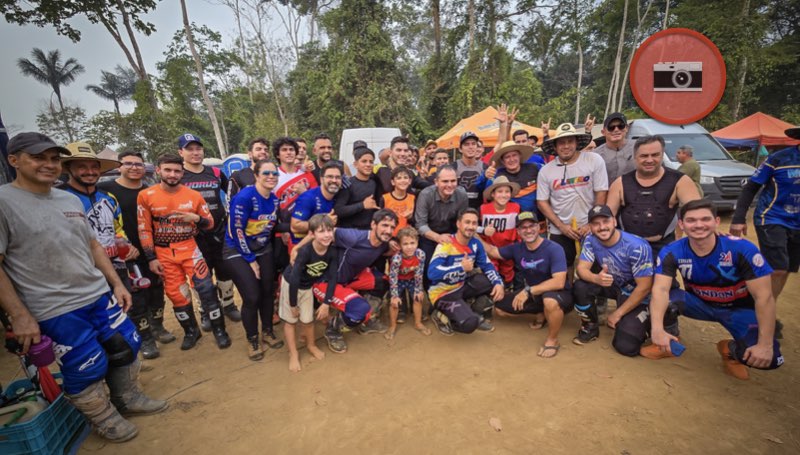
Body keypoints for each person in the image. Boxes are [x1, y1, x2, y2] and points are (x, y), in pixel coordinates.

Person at [0, 132, 166, 442]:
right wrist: (19, 315)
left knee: (126, 345)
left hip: (97, 293)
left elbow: (92, 245)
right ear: (13, 160)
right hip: (54, 307)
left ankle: (127, 398)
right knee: (85, 365)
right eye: (38, 158)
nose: (48, 164)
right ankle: (105, 418)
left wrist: (116, 283)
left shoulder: (68, 198)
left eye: (52, 158)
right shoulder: (4, 202)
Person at [646, 200, 784, 380]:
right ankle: (665, 343)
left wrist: (765, 344)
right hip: (699, 304)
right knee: (664, 299)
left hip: (738, 309)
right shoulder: (672, 251)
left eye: (705, 219)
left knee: (772, 359)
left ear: (716, 221)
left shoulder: (742, 249)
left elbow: (764, 298)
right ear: (681, 224)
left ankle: (731, 351)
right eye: (691, 220)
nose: (699, 225)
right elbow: (661, 290)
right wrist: (656, 329)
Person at [138, 153, 232, 350]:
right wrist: (151, 258)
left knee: (206, 289)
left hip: (190, 248)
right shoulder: (146, 195)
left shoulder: (193, 195)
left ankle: (219, 330)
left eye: (177, 171)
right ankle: (192, 331)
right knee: (177, 294)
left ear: (182, 172)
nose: (172, 174)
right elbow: (144, 228)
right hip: (163, 253)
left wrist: (195, 218)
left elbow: (210, 223)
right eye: (168, 170)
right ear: (158, 170)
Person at [99, 150, 176, 357]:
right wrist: (120, 245)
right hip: (125, 255)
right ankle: (145, 338)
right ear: (119, 166)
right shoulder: (105, 190)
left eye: (139, 164)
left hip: (153, 250)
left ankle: (158, 326)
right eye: (129, 163)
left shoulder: (151, 191)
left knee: (157, 291)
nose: (134, 167)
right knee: (136, 297)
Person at [572, 205, 678, 354]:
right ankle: (590, 327)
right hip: (615, 285)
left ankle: (665, 318)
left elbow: (645, 287)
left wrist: (618, 313)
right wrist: (596, 278)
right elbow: (581, 269)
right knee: (580, 286)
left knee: (626, 346)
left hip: (638, 294)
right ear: (590, 227)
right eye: (596, 224)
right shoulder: (590, 239)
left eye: (605, 221)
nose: (601, 227)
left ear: (614, 222)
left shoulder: (637, 246)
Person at [293, 209, 398, 353]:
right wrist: (297, 249)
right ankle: (333, 329)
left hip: (349, 278)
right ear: (373, 224)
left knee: (384, 282)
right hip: (327, 282)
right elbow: (323, 232)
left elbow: (386, 249)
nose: (388, 230)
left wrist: (392, 245)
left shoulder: (383, 242)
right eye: (384, 225)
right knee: (360, 309)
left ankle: (366, 322)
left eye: (392, 227)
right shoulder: (353, 237)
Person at [483, 212, 573, 358]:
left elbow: (559, 281)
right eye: (523, 228)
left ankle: (552, 340)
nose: (528, 230)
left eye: (532, 226)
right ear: (518, 231)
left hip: (559, 294)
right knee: (500, 308)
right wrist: (472, 234)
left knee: (549, 301)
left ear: (539, 227)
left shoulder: (554, 248)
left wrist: (528, 291)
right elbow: (493, 251)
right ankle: (541, 312)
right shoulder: (517, 248)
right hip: (535, 294)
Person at [177, 133, 241, 330]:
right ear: (181, 152)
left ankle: (228, 304)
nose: (195, 153)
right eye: (190, 149)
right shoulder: (178, 175)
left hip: (219, 230)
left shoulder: (214, 172)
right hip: (194, 235)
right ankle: (206, 310)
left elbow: (232, 193)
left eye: (198, 148)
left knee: (225, 269)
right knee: (200, 275)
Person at [731, 127, 800, 310]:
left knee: (787, 269)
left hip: (797, 223)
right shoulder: (779, 159)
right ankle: (761, 309)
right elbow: (750, 188)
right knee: (778, 268)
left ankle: (766, 306)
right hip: (772, 217)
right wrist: (738, 218)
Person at [224, 160, 285, 360]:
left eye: (274, 174)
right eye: (266, 173)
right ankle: (252, 339)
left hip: (262, 247)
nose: (271, 177)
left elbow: (272, 226)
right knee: (252, 296)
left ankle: (267, 331)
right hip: (236, 249)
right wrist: (250, 260)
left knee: (268, 290)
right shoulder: (245, 197)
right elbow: (236, 231)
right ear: (256, 175)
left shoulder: (274, 199)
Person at [606, 135, 700, 256]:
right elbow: (607, 218)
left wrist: (711, 232)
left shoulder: (680, 181)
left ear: (662, 155)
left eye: (655, 155)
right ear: (635, 157)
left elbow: (698, 213)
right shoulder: (620, 183)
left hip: (663, 248)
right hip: (627, 248)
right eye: (644, 156)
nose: (650, 160)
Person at [537, 123, 609, 278]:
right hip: (560, 229)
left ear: (577, 142)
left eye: (570, 141)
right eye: (561, 142)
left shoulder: (594, 160)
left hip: (589, 227)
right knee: (562, 269)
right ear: (555, 146)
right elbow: (542, 201)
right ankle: (566, 297)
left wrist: (591, 223)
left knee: (595, 266)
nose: (566, 146)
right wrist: (562, 226)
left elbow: (601, 192)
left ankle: (596, 298)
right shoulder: (546, 170)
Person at [428, 208, 505, 335]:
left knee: (493, 282)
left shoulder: (476, 243)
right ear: (458, 224)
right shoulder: (446, 243)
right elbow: (432, 273)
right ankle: (440, 314)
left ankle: (468, 309)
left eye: (474, 223)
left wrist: (498, 283)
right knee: (470, 324)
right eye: (467, 222)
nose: (470, 226)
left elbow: (487, 265)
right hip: (442, 293)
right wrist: (461, 268)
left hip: (462, 286)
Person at [280, 214, 334, 371]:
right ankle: (293, 353)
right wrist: (292, 303)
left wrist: (326, 303)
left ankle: (311, 345)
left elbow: (333, 277)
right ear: (312, 234)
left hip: (307, 286)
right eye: (321, 231)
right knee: (290, 321)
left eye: (329, 230)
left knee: (308, 320)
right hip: (291, 285)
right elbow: (295, 277)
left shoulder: (332, 251)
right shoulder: (305, 252)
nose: (326, 235)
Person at [414, 165, 469, 285]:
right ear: (436, 182)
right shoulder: (426, 194)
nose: (449, 185)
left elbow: (462, 220)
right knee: (428, 267)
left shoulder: (461, 195)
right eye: (445, 181)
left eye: (453, 181)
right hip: (428, 234)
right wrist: (437, 237)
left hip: (451, 233)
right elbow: (420, 224)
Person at [386, 227, 430, 340]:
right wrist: (394, 295)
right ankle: (392, 326)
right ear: (399, 245)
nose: (409, 247)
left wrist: (418, 290)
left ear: (417, 242)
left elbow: (419, 273)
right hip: (398, 280)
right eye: (405, 244)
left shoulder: (420, 254)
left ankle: (418, 323)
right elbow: (393, 277)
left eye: (412, 243)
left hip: (412, 279)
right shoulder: (397, 258)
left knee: (418, 298)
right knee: (394, 303)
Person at [479, 176, 521, 285]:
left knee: (508, 271)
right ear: (493, 194)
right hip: (489, 248)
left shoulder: (516, 207)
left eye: (507, 191)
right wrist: (483, 230)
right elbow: (473, 227)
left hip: (509, 248)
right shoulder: (483, 209)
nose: (504, 195)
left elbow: (520, 227)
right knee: (491, 271)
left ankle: (508, 288)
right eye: (500, 191)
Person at [291, 162, 342, 246]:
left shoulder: (340, 196)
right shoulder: (308, 198)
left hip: (325, 245)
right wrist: (325, 222)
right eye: (330, 177)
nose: (334, 180)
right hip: (302, 247)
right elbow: (295, 226)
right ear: (321, 179)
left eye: (338, 177)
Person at [485, 140, 540, 214]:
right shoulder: (497, 175)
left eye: (514, 155)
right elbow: (485, 194)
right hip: (510, 218)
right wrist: (484, 176)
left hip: (536, 218)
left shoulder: (535, 168)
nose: (511, 159)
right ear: (502, 160)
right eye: (507, 157)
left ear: (520, 156)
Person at [334, 147, 382, 229]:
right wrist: (362, 205)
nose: (368, 164)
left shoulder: (375, 182)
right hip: (349, 232)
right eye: (364, 161)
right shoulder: (348, 184)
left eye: (371, 162)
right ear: (355, 164)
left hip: (368, 232)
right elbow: (338, 210)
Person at [593, 112, 635, 184]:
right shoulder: (595, 155)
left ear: (627, 128)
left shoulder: (640, 148)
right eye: (611, 127)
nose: (616, 130)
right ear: (603, 132)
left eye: (620, 126)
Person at [455, 131, 487, 210]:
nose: (471, 147)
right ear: (460, 149)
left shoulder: (485, 167)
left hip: (478, 212)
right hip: (457, 211)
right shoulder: (453, 167)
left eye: (473, 144)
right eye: (466, 144)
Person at [383, 165, 416, 237]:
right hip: (389, 237)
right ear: (393, 182)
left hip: (407, 238)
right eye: (399, 178)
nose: (403, 180)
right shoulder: (385, 198)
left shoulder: (413, 198)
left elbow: (416, 222)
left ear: (410, 181)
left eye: (405, 177)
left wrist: (410, 217)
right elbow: (380, 222)